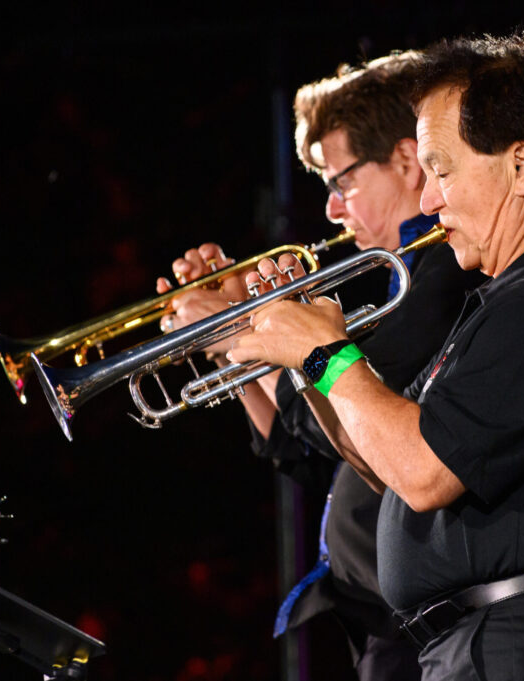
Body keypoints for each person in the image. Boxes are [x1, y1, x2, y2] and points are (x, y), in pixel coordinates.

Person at [228, 33, 524, 681]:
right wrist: (307, 359)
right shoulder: (520, 294)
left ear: (521, 166)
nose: (428, 200)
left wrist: (325, 353)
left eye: (442, 169)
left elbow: (424, 471)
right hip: (497, 644)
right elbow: (387, 469)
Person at [157, 53, 484, 680]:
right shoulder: (398, 282)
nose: (332, 209)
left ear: (405, 161)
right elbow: (308, 451)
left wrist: (244, 329)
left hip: (426, 618)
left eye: (342, 183)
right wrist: (236, 344)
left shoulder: (442, 273)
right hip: (383, 616)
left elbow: (353, 409)